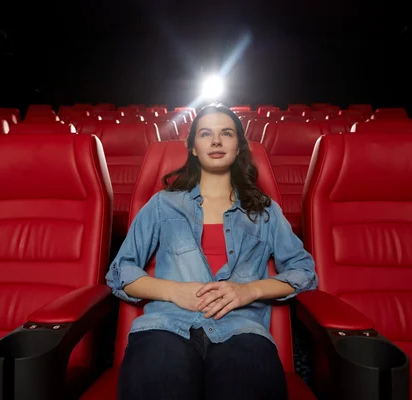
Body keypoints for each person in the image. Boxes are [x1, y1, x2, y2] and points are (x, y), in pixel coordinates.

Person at [106, 103, 317, 400]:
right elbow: (121, 271)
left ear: (239, 146)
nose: (216, 141)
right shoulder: (162, 205)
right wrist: (173, 291)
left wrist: (250, 291)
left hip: (242, 330)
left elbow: (304, 271)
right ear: (192, 146)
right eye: (206, 134)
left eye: (226, 133)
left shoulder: (265, 210)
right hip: (166, 326)